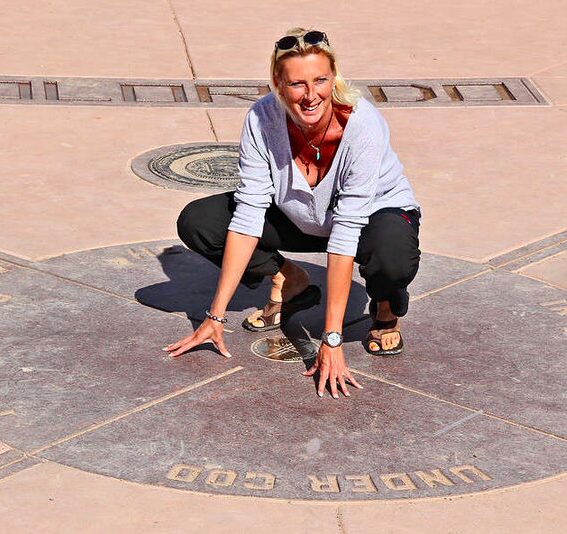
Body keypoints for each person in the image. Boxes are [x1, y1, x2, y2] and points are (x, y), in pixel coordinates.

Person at [164, 28, 421, 399]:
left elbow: (347, 228)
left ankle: (384, 305)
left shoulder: (363, 124)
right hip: (300, 215)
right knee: (200, 222)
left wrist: (331, 340)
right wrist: (214, 316)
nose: (311, 94)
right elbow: (249, 211)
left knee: (391, 255)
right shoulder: (261, 119)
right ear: (278, 85)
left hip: (372, 217)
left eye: (321, 80)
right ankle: (288, 277)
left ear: (335, 77)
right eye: (297, 84)